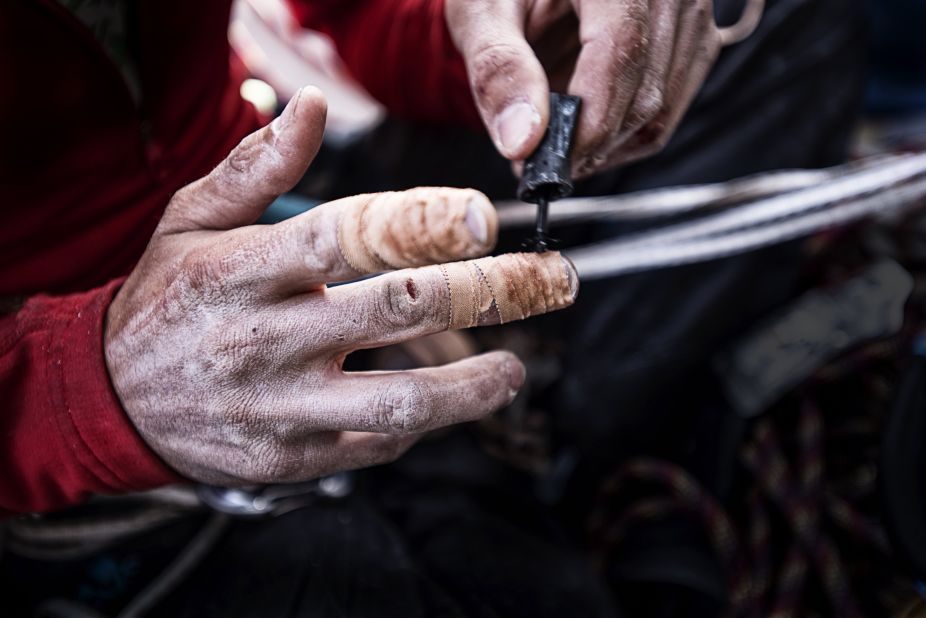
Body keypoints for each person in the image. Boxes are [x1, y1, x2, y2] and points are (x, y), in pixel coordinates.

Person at [0, 0, 726, 516]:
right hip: (60, 376)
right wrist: (89, 392)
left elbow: (353, 13)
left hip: (275, 178)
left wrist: (481, 32)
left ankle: (594, 442)